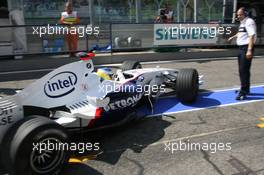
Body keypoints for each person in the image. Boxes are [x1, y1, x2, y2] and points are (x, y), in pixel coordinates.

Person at [228, 7, 257, 100]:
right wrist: (233, 36)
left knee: (243, 71)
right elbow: (241, 33)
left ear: (245, 14)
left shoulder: (249, 21)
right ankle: (246, 89)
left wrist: (249, 50)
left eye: (240, 14)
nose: (238, 16)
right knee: (244, 71)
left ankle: (243, 91)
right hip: (241, 49)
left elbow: (251, 35)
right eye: (237, 14)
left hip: (246, 48)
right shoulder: (243, 23)